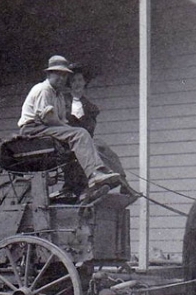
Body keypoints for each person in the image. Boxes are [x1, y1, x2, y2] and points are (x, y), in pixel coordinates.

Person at [17, 55, 119, 202]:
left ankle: (83, 186)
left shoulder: (58, 95)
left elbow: (61, 120)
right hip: (33, 129)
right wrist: (73, 131)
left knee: (81, 143)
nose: (61, 78)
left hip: (45, 129)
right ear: (48, 74)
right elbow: (48, 118)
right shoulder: (43, 89)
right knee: (80, 134)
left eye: (64, 75)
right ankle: (94, 175)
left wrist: (71, 131)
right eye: (58, 74)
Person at [61, 63, 137, 198]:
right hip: (66, 142)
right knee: (95, 145)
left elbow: (90, 128)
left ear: (85, 82)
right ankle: (93, 184)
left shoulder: (89, 107)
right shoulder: (62, 102)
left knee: (104, 148)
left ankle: (123, 183)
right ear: (69, 84)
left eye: (80, 80)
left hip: (85, 141)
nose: (77, 83)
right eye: (73, 81)